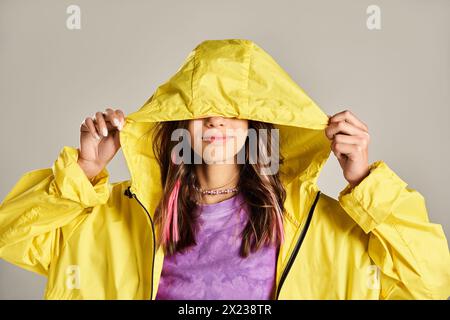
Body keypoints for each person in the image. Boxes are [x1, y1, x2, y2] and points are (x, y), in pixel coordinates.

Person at [0, 39, 449, 300]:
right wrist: (82, 171)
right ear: (178, 123)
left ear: (256, 126)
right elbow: (13, 238)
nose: (216, 120)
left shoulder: (317, 224)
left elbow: (432, 283)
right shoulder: (122, 215)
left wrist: (366, 183)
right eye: (202, 109)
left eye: (233, 110)